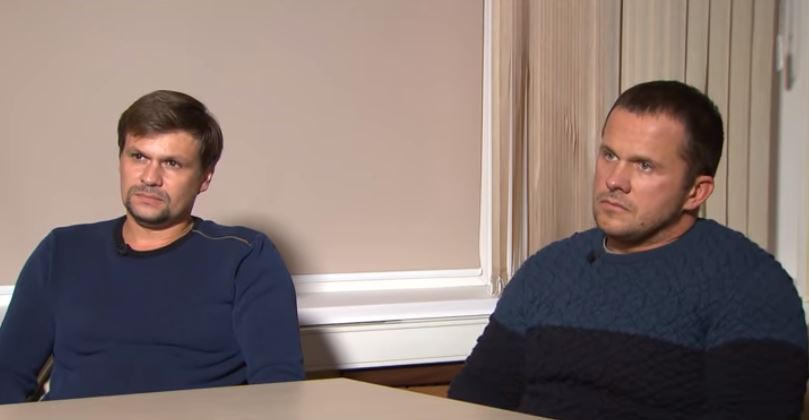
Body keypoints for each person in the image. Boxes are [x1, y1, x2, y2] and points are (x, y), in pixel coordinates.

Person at [449, 80, 808, 419]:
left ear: (696, 192)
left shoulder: (750, 286)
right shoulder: (548, 271)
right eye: (609, 155)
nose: (614, 180)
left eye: (644, 165)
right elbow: (473, 404)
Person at [0, 90, 304, 403]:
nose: (150, 177)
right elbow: (6, 374)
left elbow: (278, 391)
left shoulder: (245, 257)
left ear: (204, 178)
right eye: (139, 157)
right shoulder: (63, 251)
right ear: (120, 160)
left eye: (172, 163)